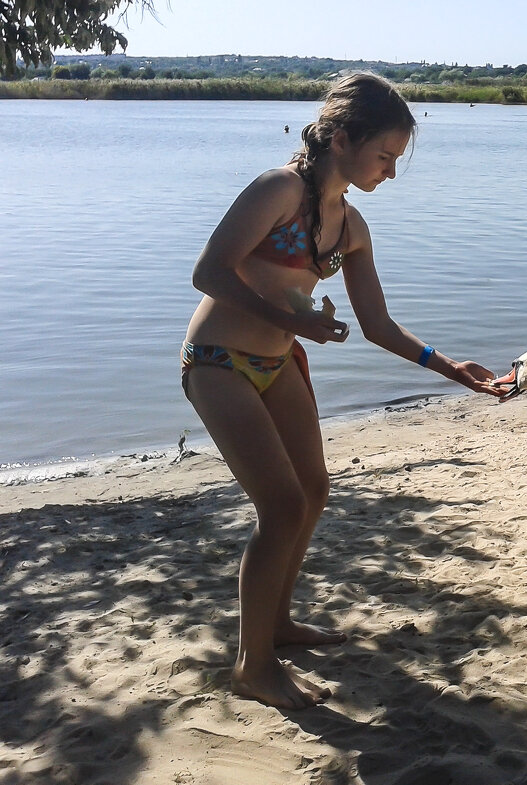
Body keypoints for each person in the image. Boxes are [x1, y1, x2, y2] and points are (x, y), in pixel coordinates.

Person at [181, 73, 506, 710]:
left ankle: (276, 624)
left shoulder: (350, 226)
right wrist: (294, 321)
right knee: (280, 505)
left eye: (395, 160)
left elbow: (378, 324)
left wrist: (451, 369)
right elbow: (207, 271)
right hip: (219, 363)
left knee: (313, 491)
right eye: (384, 156)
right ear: (340, 135)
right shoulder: (277, 190)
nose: (389, 172)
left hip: (279, 367)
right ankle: (254, 666)